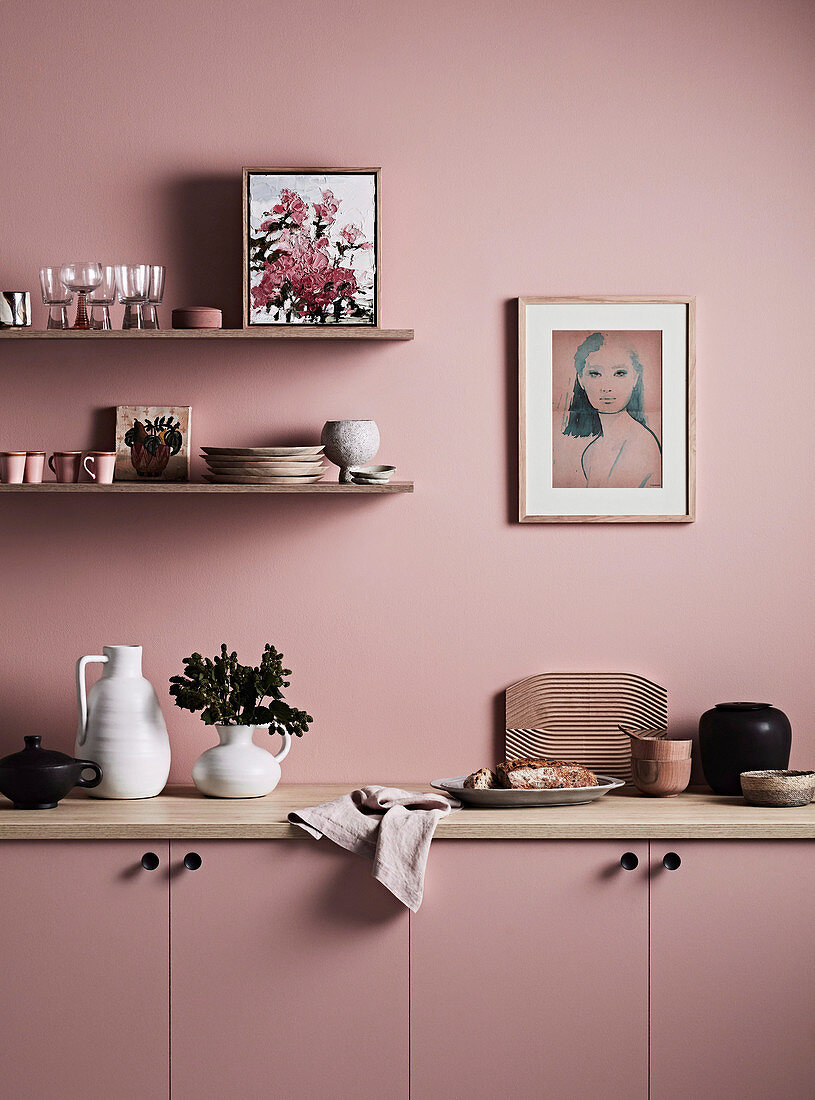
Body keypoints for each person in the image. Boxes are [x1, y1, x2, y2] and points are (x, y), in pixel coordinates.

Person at [562, 331, 662, 488]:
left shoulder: (643, 445)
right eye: (595, 373)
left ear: (635, 378)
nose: (607, 387)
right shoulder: (590, 453)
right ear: (581, 379)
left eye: (619, 373)